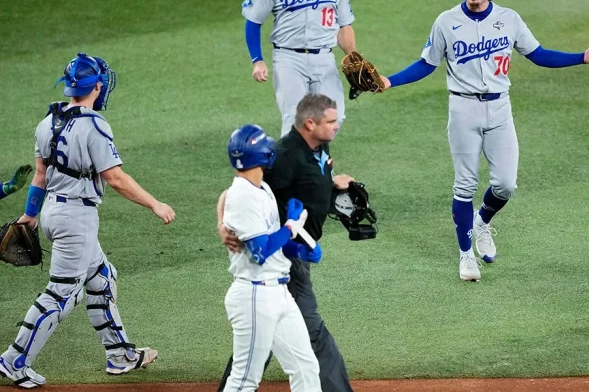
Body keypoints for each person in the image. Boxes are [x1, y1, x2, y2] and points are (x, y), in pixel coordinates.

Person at [379, 0, 589, 282]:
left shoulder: (509, 19)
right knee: (465, 184)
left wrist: (580, 58)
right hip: (463, 110)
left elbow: (538, 55)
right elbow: (426, 64)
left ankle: (482, 221)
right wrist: (389, 81)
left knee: (506, 184)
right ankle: (465, 255)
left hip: (500, 108)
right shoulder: (446, 22)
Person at [0, 53, 176, 389]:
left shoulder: (46, 123)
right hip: (76, 220)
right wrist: (155, 204)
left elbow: (40, 175)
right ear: (96, 87)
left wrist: (31, 214)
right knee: (61, 295)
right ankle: (14, 361)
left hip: (53, 211)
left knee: (102, 278)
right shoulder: (95, 126)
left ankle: (120, 355)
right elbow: (116, 178)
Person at [216, 93, 355, 392]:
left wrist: (328, 188)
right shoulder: (281, 159)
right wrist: (223, 224)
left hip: (283, 267)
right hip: (263, 275)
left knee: (294, 360)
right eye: (331, 121)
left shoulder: (314, 150)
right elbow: (236, 196)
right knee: (303, 337)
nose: (337, 125)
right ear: (310, 123)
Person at [220, 124, 322, 392]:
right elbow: (261, 251)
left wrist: (300, 251)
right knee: (244, 380)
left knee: (305, 367)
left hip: (278, 294)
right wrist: (290, 226)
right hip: (255, 296)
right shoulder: (242, 195)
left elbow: (274, 245)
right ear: (260, 154)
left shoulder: (261, 188)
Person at [242, 0, 357, 136]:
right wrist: (257, 59)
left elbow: (344, 25)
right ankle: (291, 168)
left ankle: (317, 166)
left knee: (333, 116)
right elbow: (253, 19)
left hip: (324, 58)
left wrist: (353, 57)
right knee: (294, 119)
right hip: (288, 59)